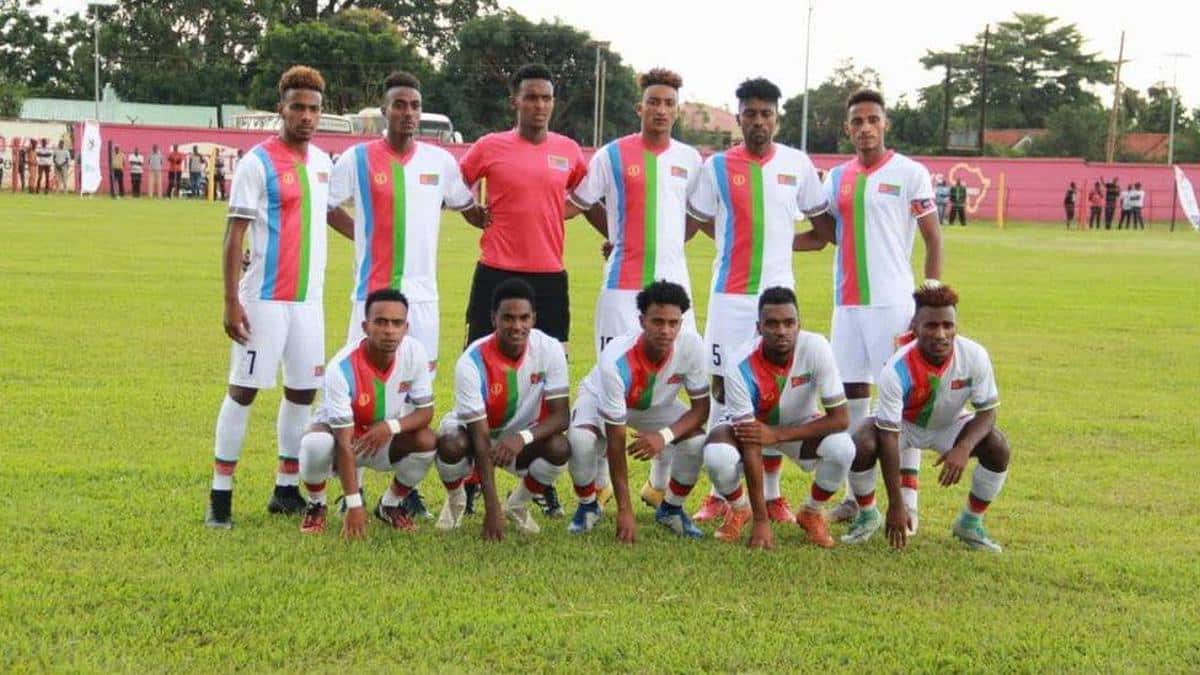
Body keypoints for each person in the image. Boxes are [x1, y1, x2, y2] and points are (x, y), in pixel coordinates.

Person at [685, 77, 833, 525]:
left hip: (777, 300)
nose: (758, 121)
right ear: (739, 117)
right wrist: (735, 242)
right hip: (730, 296)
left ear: (777, 117)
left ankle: (770, 496)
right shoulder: (715, 167)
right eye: (749, 113)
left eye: (765, 113)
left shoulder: (797, 164)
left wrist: (781, 246)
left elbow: (825, 231)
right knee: (720, 388)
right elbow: (697, 223)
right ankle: (721, 494)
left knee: (773, 390)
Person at [205, 65, 333, 529]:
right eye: (297, 106)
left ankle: (285, 486)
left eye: (314, 108)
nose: (306, 115)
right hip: (264, 298)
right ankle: (220, 496)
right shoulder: (257, 163)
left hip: (309, 302)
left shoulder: (322, 163)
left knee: (302, 391)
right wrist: (230, 300)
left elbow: (329, 215)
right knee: (243, 392)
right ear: (281, 109)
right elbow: (233, 234)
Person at [813, 89, 942, 532]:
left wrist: (931, 292)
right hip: (847, 305)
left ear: (884, 124)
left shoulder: (910, 172)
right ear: (847, 128)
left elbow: (933, 238)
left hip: (892, 304)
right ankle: (857, 496)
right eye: (857, 121)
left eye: (873, 119)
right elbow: (824, 232)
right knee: (850, 404)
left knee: (897, 403)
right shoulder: (836, 178)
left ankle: (907, 502)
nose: (865, 127)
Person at [328, 71, 485, 371]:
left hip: (423, 295)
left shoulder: (440, 161)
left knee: (420, 379)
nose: (408, 112)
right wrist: (360, 233)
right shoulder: (356, 158)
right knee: (362, 375)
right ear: (384, 111)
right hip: (372, 291)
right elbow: (324, 206)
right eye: (399, 105)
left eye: (415, 105)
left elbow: (467, 207)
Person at [841, 283, 1010, 553]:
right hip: (903, 426)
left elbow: (987, 412)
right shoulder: (896, 369)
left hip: (949, 425)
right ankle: (868, 515)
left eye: (948, 325)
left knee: (998, 445)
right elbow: (888, 435)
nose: (941, 334)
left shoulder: (974, 356)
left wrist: (963, 448)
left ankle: (969, 523)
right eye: (931, 326)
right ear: (915, 327)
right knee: (860, 442)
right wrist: (896, 505)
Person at [700, 286, 853, 549]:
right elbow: (750, 441)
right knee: (716, 455)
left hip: (797, 426)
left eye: (788, 323)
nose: (781, 331)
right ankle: (740, 509)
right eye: (772, 324)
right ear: (759, 327)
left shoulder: (816, 347)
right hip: (749, 429)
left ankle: (811, 512)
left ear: (799, 324)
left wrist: (778, 435)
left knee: (843, 448)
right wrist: (762, 520)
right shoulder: (738, 364)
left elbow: (840, 418)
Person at [567, 68, 703, 357]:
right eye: (653, 102)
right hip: (622, 283)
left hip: (675, 280)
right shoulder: (611, 154)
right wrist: (618, 234)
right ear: (640, 108)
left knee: (679, 368)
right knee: (614, 365)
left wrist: (672, 240)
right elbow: (581, 202)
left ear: (677, 111)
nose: (661, 110)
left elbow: (699, 214)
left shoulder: (690, 159)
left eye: (669, 103)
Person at [566, 281, 710, 541]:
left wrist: (662, 437)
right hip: (600, 400)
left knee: (698, 441)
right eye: (657, 322)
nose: (666, 330)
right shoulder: (615, 359)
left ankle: (671, 509)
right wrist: (625, 510)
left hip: (655, 405)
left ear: (681, 322)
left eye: (673, 323)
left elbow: (701, 410)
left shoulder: (692, 346)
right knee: (580, 441)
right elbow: (616, 439)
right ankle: (588, 505)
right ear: (642, 321)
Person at [458, 63, 587, 349]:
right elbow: (455, 184)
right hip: (496, 269)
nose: (539, 105)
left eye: (546, 98)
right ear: (514, 101)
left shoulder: (568, 150)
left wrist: (559, 212)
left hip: (549, 273)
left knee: (553, 362)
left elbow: (588, 195)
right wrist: (472, 211)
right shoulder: (489, 146)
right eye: (530, 97)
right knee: (480, 357)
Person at [433, 279, 571, 539]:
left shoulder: (550, 349)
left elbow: (561, 416)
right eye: (508, 318)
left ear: (533, 318)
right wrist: (491, 507)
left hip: (520, 437)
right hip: (476, 434)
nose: (517, 326)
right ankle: (456, 499)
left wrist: (522, 437)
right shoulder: (471, 361)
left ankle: (517, 504)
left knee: (560, 448)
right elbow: (480, 436)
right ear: (493, 318)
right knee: (450, 444)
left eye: (524, 318)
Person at [296, 288, 437, 537]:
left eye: (397, 323)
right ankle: (317, 503)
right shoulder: (340, 368)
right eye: (381, 322)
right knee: (315, 442)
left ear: (406, 327)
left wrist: (390, 427)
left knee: (427, 441)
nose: (389, 330)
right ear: (365, 326)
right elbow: (342, 440)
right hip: (341, 443)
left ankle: (390, 505)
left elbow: (426, 412)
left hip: (381, 438)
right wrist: (354, 504)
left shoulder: (415, 353)